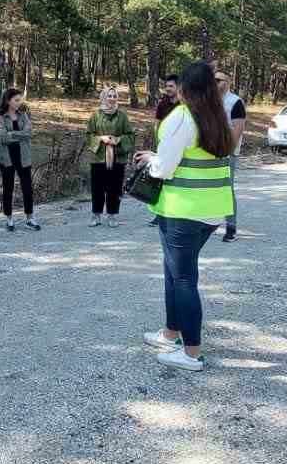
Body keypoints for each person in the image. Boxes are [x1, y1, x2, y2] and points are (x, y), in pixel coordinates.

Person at [133, 61, 235, 372]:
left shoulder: (182, 117)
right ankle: (171, 333)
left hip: (183, 210)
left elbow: (164, 167)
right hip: (211, 209)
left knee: (184, 279)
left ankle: (191, 353)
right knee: (174, 273)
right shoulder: (218, 117)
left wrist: (150, 158)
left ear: (185, 87)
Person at [85, 86, 134, 228]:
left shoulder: (122, 116)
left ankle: (112, 215)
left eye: (114, 96)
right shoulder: (95, 115)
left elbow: (130, 135)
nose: (112, 98)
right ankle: (96, 214)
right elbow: (88, 134)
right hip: (99, 157)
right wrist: (101, 138)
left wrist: (118, 140)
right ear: (103, 97)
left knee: (115, 187)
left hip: (117, 158)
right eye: (109, 96)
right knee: (97, 187)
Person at [0, 88, 40, 231]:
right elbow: (2, 137)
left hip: (23, 156)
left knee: (27, 188)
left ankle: (30, 218)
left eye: (20, 100)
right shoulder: (0, 118)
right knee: (8, 188)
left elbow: (28, 133)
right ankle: (9, 219)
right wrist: (19, 135)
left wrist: (12, 133)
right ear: (8, 101)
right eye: (16, 100)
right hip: (7, 157)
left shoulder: (24, 115)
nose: (20, 103)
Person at [214, 68, 247, 243]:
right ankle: (209, 223)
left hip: (227, 153)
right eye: (214, 80)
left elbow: (238, 129)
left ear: (228, 82)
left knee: (227, 189)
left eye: (220, 80)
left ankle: (231, 227)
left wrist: (229, 150)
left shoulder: (235, 102)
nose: (216, 83)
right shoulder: (210, 101)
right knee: (209, 188)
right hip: (209, 153)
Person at [148, 75, 180, 225]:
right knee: (160, 181)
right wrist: (158, 142)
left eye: (171, 86)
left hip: (180, 147)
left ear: (179, 87)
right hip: (164, 146)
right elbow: (157, 124)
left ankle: (175, 212)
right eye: (166, 86)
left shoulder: (184, 105)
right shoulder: (162, 104)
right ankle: (159, 214)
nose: (167, 89)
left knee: (175, 179)